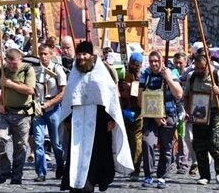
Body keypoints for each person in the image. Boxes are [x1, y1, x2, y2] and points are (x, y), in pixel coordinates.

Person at [59, 40, 134, 192]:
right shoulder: (73, 76)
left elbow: (110, 98)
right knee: (76, 154)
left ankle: (90, 183)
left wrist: (111, 118)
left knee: (96, 156)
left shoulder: (101, 75)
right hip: (77, 123)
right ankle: (76, 184)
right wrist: (66, 119)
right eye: (79, 54)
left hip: (99, 123)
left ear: (92, 56)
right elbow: (68, 100)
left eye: (84, 54)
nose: (81, 57)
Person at [183, 53, 219, 185]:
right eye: (197, 68)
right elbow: (186, 95)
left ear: (207, 65)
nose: (199, 71)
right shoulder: (192, 77)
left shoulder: (216, 75)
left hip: (214, 112)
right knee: (199, 145)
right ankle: (204, 175)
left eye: (201, 68)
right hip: (197, 114)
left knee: (213, 143)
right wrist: (187, 111)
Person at [139, 51, 183, 189]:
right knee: (147, 142)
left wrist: (168, 79)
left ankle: (162, 177)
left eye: (156, 61)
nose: (154, 64)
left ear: (161, 61)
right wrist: (156, 116)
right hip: (151, 117)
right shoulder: (145, 75)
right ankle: (148, 175)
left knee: (166, 147)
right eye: (151, 61)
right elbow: (140, 101)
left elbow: (179, 94)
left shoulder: (171, 73)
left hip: (169, 115)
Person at [0, 47, 36, 185]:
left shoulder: (27, 69)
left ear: (20, 60)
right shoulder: (1, 70)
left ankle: (17, 175)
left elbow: (30, 90)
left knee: (20, 146)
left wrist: (10, 84)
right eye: (9, 63)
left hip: (22, 114)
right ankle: (4, 170)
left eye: (14, 64)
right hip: (5, 112)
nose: (11, 66)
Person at [32, 44, 68, 182]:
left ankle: (60, 164)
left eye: (45, 54)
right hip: (38, 109)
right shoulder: (35, 70)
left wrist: (49, 103)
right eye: (41, 54)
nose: (43, 57)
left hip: (53, 108)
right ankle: (41, 172)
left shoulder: (58, 70)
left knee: (56, 143)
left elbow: (63, 92)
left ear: (51, 54)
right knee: (38, 141)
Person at [118, 51, 144, 180]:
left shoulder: (143, 76)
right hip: (125, 110)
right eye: (132, 64)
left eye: (137, 64)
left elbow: (139, 93)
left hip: (138, 111)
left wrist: (133, 86)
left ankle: (136, 167)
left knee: (137, 140)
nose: (134, 66)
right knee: (128, 140)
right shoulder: (124, 74)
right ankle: (128, 165)